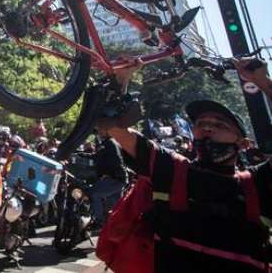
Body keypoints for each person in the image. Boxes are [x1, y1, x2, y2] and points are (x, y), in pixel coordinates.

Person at [97, 57, 272, 273]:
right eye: (201, 124)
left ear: (243, 143)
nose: (208, 128)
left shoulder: (259, 185)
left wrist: (263, 82)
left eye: (220, 125)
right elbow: (112, 124)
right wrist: (121, 79)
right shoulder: (172, 169)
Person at [89, 128, 127, 228]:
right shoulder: (112, 142)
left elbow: (100, 158)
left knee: (94, 193)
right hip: (119, 178)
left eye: (98, 131)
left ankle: (98, 221)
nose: (98, 134)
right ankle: (120, 225)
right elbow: (98, 156)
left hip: (115, 178)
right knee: (116, 206)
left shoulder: (108, 143)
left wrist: (104, 173)